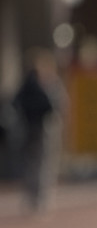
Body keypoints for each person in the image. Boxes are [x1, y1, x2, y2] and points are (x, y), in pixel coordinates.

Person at [12, 52, 60, 212]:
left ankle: (30, 195)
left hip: (26, 127)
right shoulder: (42, 85)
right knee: (41, 162)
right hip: (39, 128)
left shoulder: (26, 84)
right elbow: (50, 106)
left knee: (30, 162)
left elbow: (15, 101)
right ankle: (38, 197)